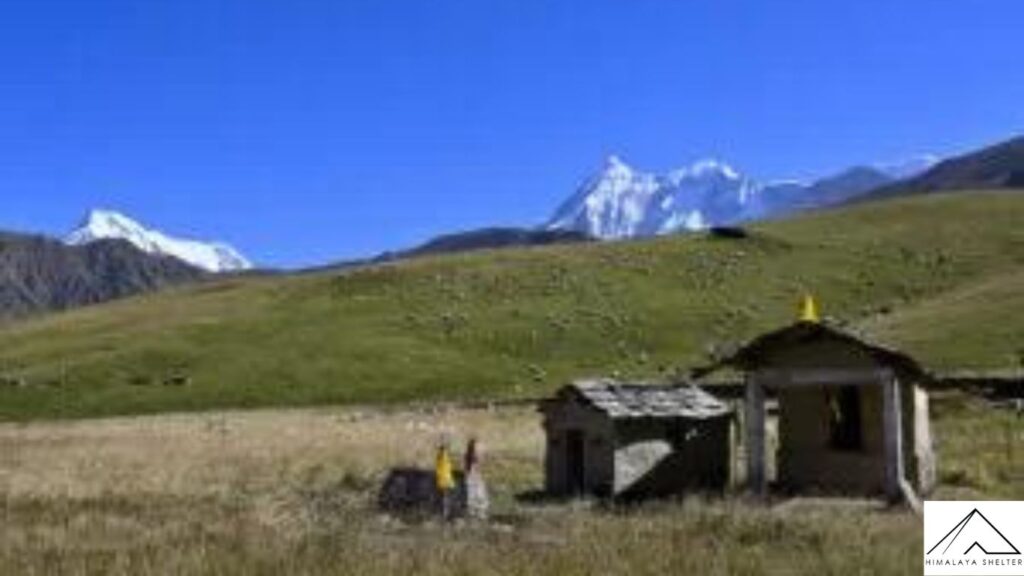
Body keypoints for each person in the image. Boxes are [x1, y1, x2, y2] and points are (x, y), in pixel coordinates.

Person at [435, 440, 455, 521]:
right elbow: (446, 468)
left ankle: (446, 514)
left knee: (445, 498)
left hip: (443, 480)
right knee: (446, 498)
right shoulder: (443, 456)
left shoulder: (440, 456)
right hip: (446, 480)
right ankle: (446, 515)